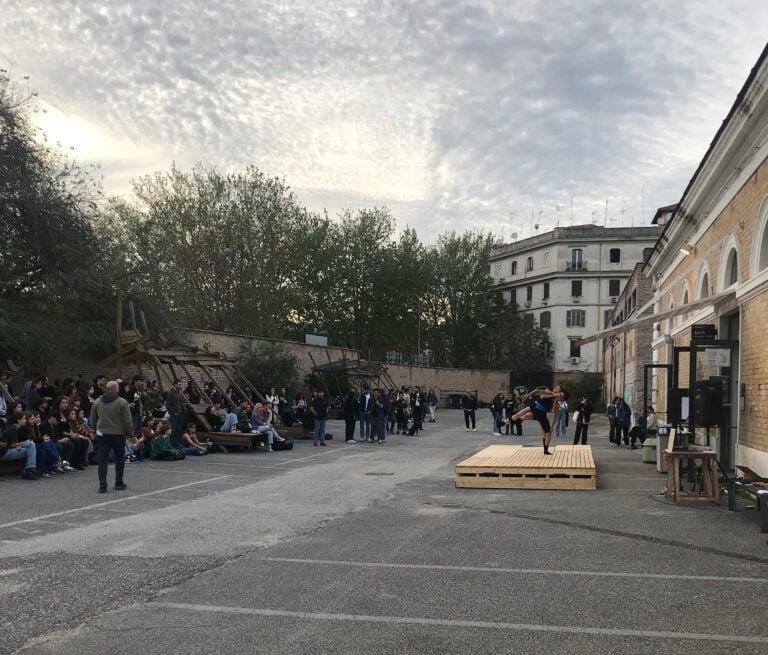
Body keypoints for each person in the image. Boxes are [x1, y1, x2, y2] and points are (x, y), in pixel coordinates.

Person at [90, 380, 133, 493]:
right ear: (116, 389)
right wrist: (129, 434)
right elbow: (127, 420)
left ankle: (102, 485)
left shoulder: (97, 402)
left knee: (102, 460)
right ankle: (119, 482)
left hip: (102, 434)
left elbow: (93, 419)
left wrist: (95, 430)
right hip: (118, 434)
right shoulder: (122, 402)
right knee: (119, 458)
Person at [507, 386, 568, 455]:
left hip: (542, 414)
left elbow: (554, 413)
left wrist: (552, 426)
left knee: (546, 433)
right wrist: (528, 395)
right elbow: (540, 393)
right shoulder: (549, 392)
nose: (557, 390)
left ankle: (545, 450)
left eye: (559, 392)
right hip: (537, 409)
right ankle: (513, 421)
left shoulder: (556, 400)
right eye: (557, 389)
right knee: (524, 416)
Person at [1, 411, 38, 479]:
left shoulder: (14, 427)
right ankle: (29, 469)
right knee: (31, 446)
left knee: (31, 446)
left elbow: (12, 444)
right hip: (3, 452)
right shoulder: (14, 428)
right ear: (18, 420)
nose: (25, 420)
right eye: (23, 419)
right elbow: (13, 445)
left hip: (7, 449)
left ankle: (29, 469)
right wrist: (24, 442)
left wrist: (19, 445)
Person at [165, 379, 185, 447]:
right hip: (174, 414)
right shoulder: (171, 393)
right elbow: (168, 405)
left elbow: (181, 403)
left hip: (180, 413)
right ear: (175, 384)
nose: (180, 386)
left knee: (178, 430)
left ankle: (177, 444)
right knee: (173, 430)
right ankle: (172, 445)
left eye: (181, 384)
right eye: (179, 384)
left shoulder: (179, 392)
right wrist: (173, 412)